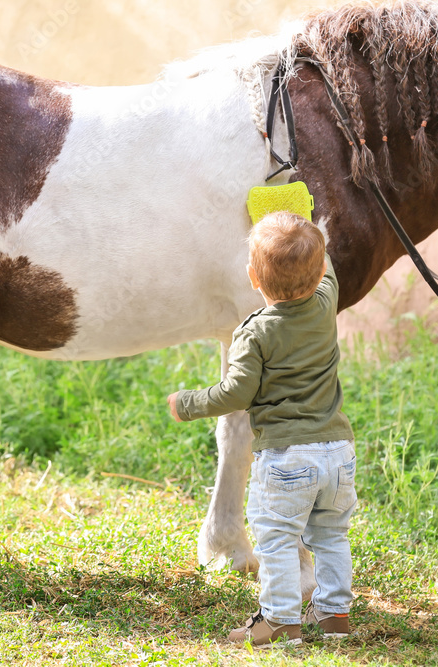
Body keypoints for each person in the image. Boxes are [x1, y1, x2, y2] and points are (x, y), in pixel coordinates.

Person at [167, 211, 358, 648]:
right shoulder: (327, 301)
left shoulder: (254, 331)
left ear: (254, 277)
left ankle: (279, 621)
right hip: (338, 454)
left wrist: (189, 403)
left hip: (287, 460)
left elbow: (236, 393)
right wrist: (305, 222)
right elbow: (326, 273)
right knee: (331, 538)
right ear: (320, 270)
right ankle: (334, 617)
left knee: (276, 541)